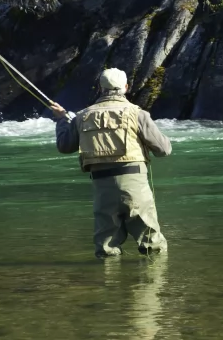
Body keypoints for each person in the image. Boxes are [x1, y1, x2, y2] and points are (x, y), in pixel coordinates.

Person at [49, 68, 172, 258]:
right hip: (134, 184)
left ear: (100, 88)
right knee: (152, 245)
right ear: (126, 87)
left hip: (102, 187)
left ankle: (109, 277)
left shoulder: (82, 116)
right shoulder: (137, 114)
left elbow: (65, 146)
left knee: (106, 248)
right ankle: (154, 277)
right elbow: (163, 150)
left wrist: (62, 120)